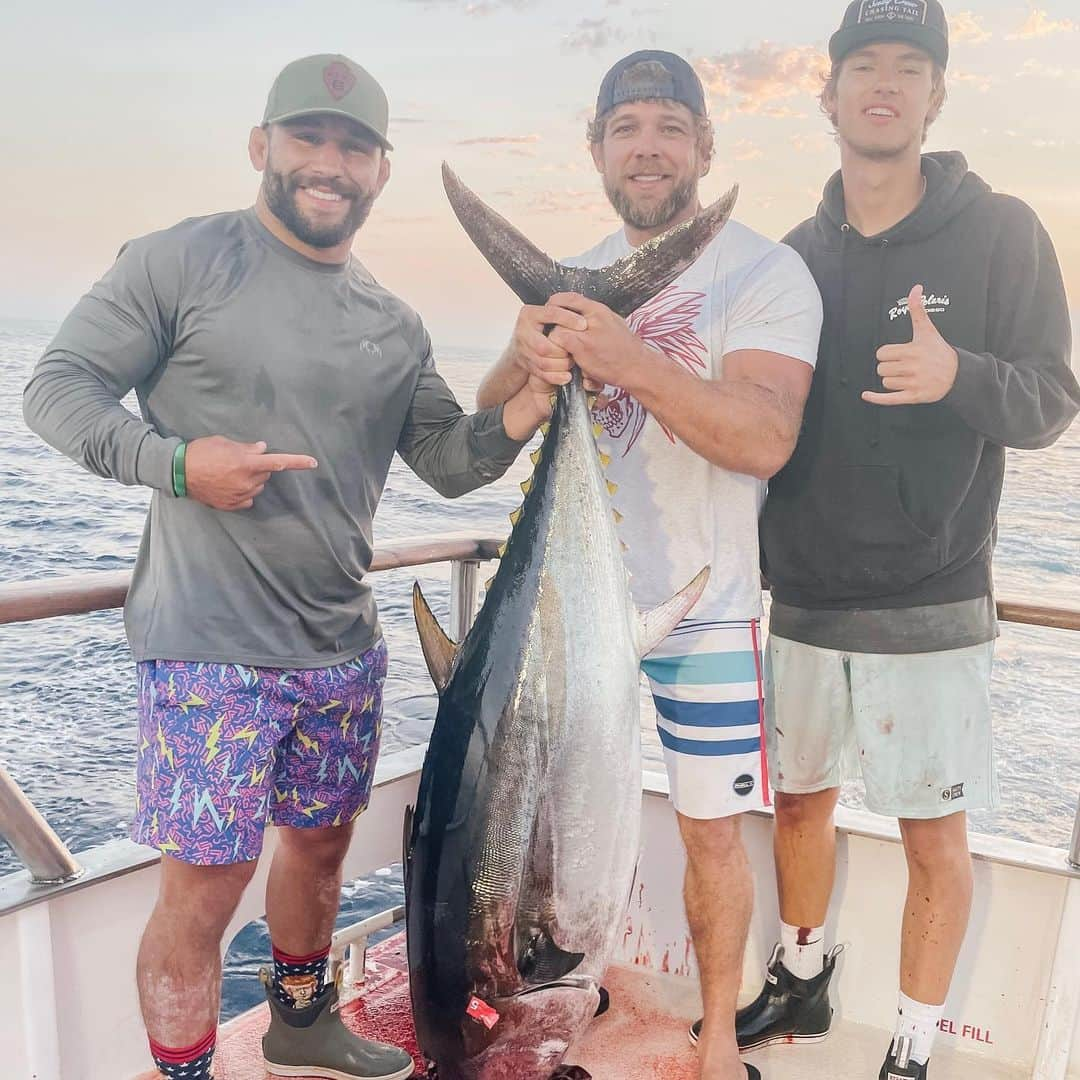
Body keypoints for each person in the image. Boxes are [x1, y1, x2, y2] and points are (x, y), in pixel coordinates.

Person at [23, 53, 557, 1080]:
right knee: (207, 885)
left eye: (354, 146)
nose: (329, 163)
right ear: (261, 147)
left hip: (340, 649)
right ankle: (183, 1072)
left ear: (380, 172)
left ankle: (302, 1020)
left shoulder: (394, 323)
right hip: (208, 649)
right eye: (308, 138)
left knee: (318, 852)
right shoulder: (178, 263)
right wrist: (175, 464)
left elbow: (447, 461)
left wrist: (531, 398)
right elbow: (56, 390)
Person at [734, 4, 1079, 1079]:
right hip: (801, 596)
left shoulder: (1003, 230)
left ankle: (914, 1047)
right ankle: (800, 975)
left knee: (935, 838)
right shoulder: (789, 259)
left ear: (936, 96)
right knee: (799, 804)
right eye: (863, 65)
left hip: (932, 600)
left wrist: (960, 376)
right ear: (826, 94)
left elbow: (1053, 396)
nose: (884, 83)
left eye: (909, 67)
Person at [476, 50, 823, 1080]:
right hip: (568, 621)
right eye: (626, 127)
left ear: (705, 147)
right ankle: (571, 1001)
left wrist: (629, 359)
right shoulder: (572, 280)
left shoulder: (764, 272)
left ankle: (714, 1038)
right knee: (553, 836)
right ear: (597, 150)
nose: (648, 146)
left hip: (704, 610)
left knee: (713, 837)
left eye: (671, 126)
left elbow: (764, 437)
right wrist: (530, 350)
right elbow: (491, 419)